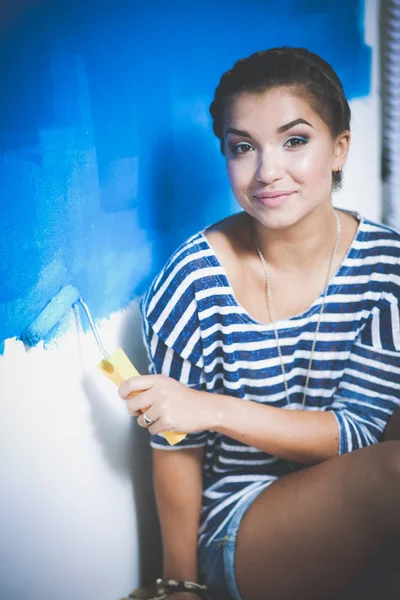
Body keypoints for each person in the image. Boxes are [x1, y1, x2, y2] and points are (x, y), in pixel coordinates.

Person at [119, 47, 400, 600]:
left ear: (340, 149)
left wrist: (212, 407)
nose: (268, 172)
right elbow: (176, 448)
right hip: (245, 525)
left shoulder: (387, 266)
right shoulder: (192, 280)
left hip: (361, 503)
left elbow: (360, 435)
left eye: (295, 141)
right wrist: (180, 584)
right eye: (242, 147)